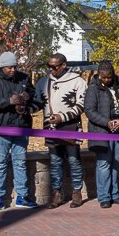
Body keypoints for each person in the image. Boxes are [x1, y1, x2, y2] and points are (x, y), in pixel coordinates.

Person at [0, 52, 38, 213]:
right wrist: (8, 101)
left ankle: (23, 197)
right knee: (0, 164)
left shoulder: (23, 78)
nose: (12, 70)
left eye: (14, 66)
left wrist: (27, 99)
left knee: (20, 162)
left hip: (20, 127)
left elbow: (34, 96)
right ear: (1, 66)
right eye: (9, 67)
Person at [36, 53, 87, 209]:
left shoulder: (77, 81)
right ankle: (57, 193)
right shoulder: (43, 82)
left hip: (70, 126)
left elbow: (82, 105)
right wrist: (22, 107)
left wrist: (62, 117)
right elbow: (38, 103)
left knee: (73, 160)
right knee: (55, 161)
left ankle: (76, 191)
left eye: (54, 67)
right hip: (51, 127)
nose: (51, 70)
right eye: (48, 66)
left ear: (64, 65)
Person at [84, 61, 119, 209]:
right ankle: (104, 197)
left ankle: (115, 194)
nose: (107, 80)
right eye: (104, 78)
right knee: (103, 164)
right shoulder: (93, 89)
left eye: (109, 77)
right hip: (101, 131)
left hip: (118, 130)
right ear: (99, 75)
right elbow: (89, 110)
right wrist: (106, 122)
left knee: (115, 162)